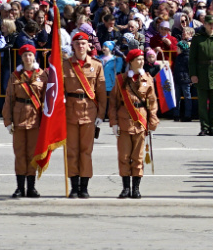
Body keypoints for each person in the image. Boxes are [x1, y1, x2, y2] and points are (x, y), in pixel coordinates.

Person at [108, 47, 159, 198]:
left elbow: (152, 102)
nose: (142, 61)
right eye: (138, 59)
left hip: (140, 121)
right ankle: (125, 188)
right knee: (124, 156)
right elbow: (113, 103)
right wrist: (114, 122)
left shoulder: (148, 79)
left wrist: (152, 121)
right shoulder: (120, 80)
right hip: (124, 121)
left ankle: (136, 188)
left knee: (138, 156)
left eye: (143, 59)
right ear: (130, 62)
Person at [63, 31, 105, 198]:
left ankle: (84, 186)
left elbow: (101, 93)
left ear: (89, 46)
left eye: (83, 43)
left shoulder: (97, 65)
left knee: (86, 151)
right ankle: (74, 186)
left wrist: (101, 116)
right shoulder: (64, 65)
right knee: (72, 151)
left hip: (89, 112)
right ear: (72, 46)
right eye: (77, 43)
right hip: (70, 112)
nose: (80, 46)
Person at [2, 43, 45, 198]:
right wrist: (8, 121)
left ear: (34, 56)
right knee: (20, 154)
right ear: (21, 57)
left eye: (30, 55)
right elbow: (9, 99)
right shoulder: (15, 76)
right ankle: (20, 187)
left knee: (32, 154)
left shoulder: (42, 75)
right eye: (25, 55)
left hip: (35, 119)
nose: (28, 58)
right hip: (19, 119)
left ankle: (31, 187)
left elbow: (47, 99)